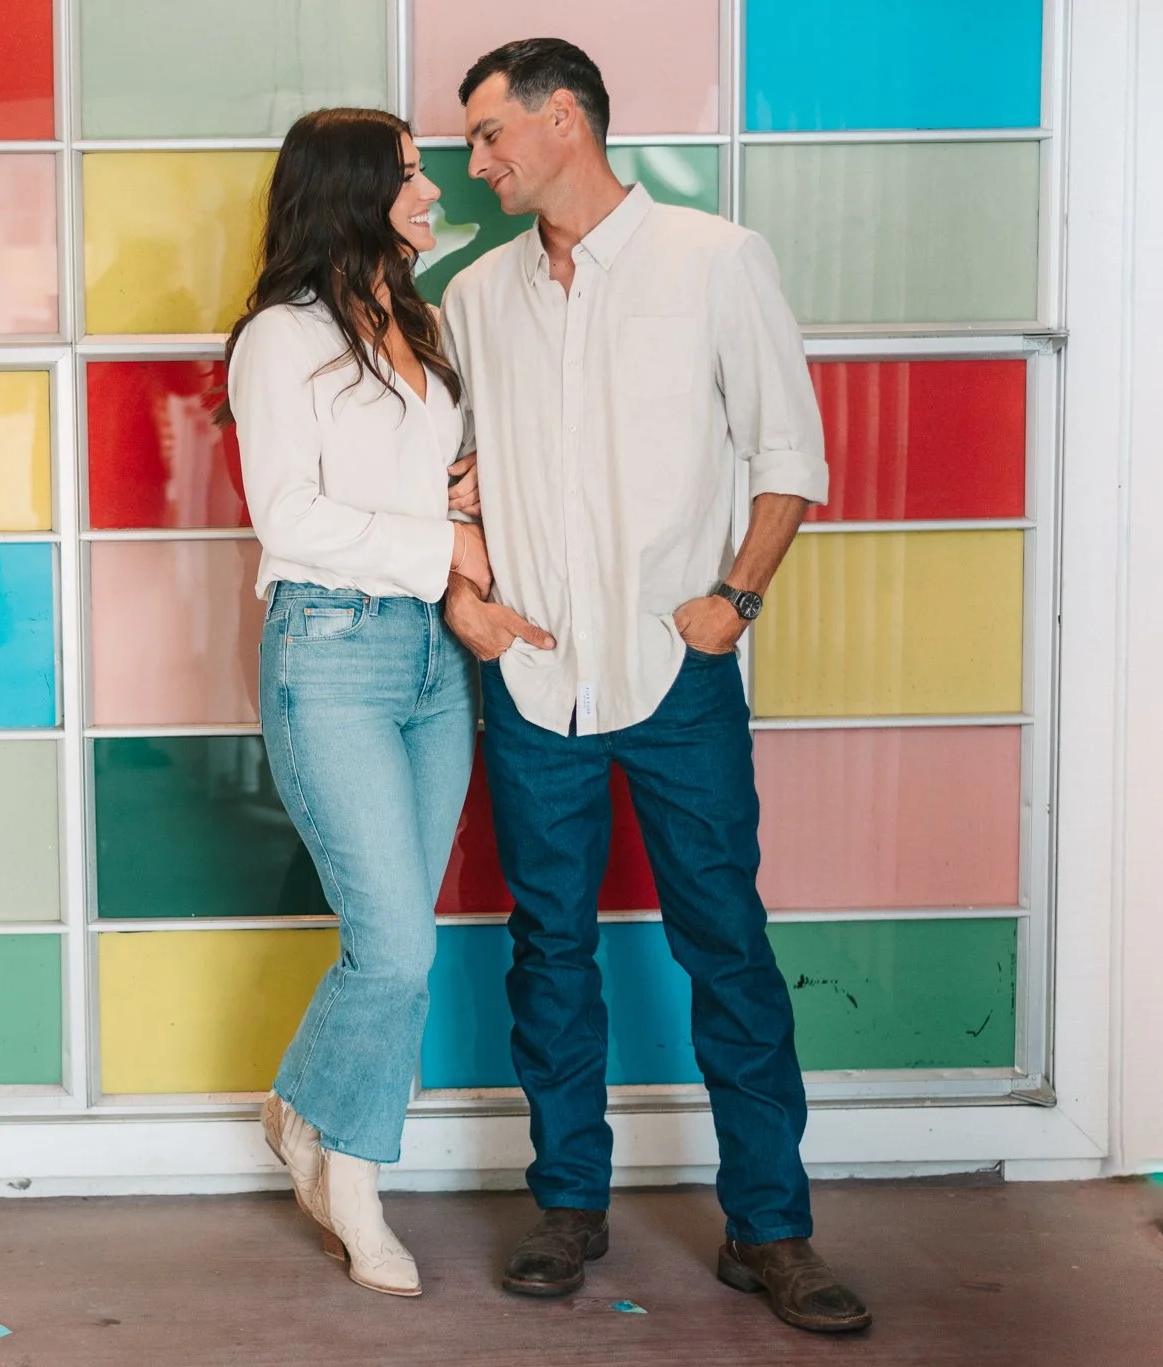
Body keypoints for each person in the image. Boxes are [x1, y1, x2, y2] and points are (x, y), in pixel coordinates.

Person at [437, 39, 872, 1333]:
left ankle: (770, 1226)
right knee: (547, 948)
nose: (476, 161)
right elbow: (447, 469)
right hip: (535, 677)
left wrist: (734, 598)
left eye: (489, 133)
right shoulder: (475, 295)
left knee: (724, 942)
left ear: (564, 118)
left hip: (678, 673)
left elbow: (790, 452)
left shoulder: (713, 261)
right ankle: (568, 1203)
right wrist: (467, 596)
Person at [220, 106, 487, 1298]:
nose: (431, 192)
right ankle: (354, 1188)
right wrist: (445, 541)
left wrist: (461, 495)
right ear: (350, 191)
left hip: (435, 658)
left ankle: (300, 1103)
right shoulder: (280, 338)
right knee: (397, 944)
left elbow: (421, 480)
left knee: (393, 942)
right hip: (329, 649)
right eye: (411, 174)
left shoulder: (419, 326)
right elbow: (288, 516)